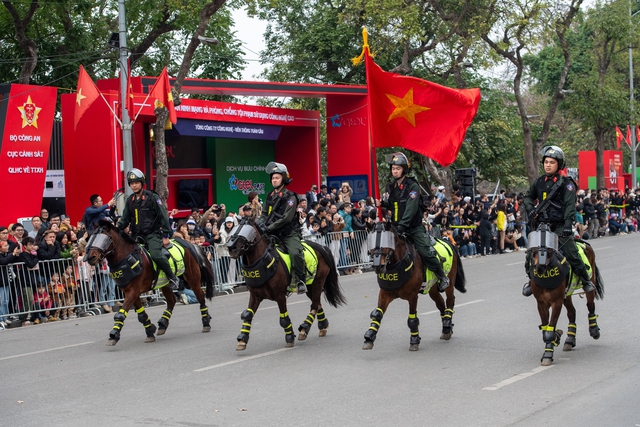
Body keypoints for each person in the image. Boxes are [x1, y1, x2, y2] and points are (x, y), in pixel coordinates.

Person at [522, 146, 595, 297]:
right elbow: (528, 197)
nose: (548, 165)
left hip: (560, 227)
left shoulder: (566, 184)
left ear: (559, 165)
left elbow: (569, 206)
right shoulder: (539, 182)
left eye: (552, 162)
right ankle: (531, 281)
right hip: (542, 226)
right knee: (531, 254)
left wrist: (568, 225)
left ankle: (586, 280)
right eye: (546, 162)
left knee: (571, 252)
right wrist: (530, 209)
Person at [378, 152, 449, 291]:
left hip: (412, 227)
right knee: (382, 249)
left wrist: (402, 227)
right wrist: (382, 203)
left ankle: (442, 276)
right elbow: (394, 204)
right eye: (393, 168)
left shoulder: (412, 186)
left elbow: (410, 208)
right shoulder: (392, 187)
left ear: (404, 169)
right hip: (396, 227)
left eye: (398, 168)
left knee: (425, 251)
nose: (395, 171)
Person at [116, 168, 180, 290]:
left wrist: (166, 236)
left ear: (142, 183)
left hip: (152, 234)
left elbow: (163, 217)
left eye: (137, 183)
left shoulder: (152, 197)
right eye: (132, 183)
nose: (134, 186)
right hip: (136, 236)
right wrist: (116, 228)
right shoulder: (130, 200)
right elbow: (124, 219)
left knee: (156, 255)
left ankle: (172, 277)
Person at [257, 161, 307, 294]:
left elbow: (287, 218)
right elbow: (263, 214)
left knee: (295, 253)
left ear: (284, 179)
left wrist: (269, 227)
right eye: (273, 178)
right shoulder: (269, 196)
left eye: (277, 177)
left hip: (288, 233)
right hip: (272, 233)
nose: (274, 180)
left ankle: (300, 280)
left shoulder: (290, 197)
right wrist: (259, 223)